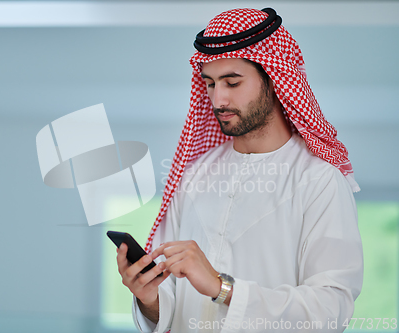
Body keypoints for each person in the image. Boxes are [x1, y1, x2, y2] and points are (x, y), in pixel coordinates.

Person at [115, 7, 363, 333]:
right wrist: (149, 299)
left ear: (275, 81)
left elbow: (331, 311)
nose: (218, 99)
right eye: (210, 83)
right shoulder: (194, 176)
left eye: (232, 82)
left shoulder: (319, 180)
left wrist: (223, 289)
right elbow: (174, 302)